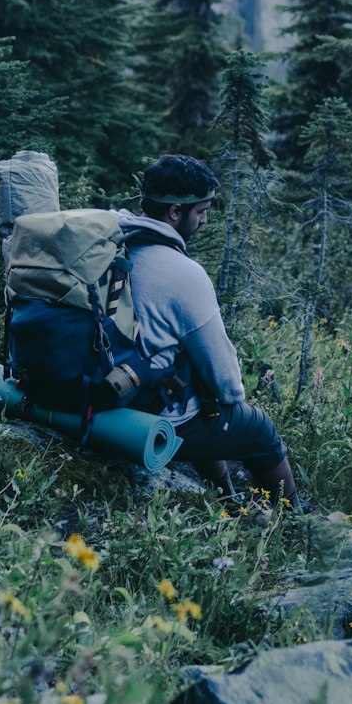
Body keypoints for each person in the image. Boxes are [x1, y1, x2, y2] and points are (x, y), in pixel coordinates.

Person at [117, 153, 303, 509]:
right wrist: (225, 393)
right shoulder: (183, 273)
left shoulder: (114, 244)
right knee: (259, 430)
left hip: (107, 391)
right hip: (150, 416)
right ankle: (295, 518)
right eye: (200, 212)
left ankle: (228, 503)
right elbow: (229, 383)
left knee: (196, 395)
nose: (203, 221)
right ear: (174, 212)